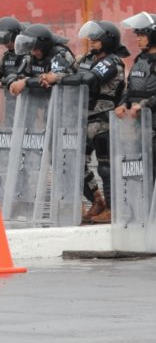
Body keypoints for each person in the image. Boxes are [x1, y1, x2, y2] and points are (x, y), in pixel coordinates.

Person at [62, 20, 129, 223]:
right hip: (82, 119)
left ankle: (112, 209)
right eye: (91, 38)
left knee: (105, 167)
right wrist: (54, 77)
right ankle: (96, 200)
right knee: (74, 164)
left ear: (108, 40)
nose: (92, 41)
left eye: (97, 39)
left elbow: (90, 79)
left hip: (104, 121)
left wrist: (58, 79)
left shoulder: (113, 62)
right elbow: (69, 73)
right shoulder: (86, 58)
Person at [115, 11, 156, 186]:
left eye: (143, 35)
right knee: (140, 169)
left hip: (153, 120)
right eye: (137, 35)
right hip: (139, 124)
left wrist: (144, 104)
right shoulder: (140, 59)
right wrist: (123, 104)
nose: (138, 39)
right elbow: (130, 87)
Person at [8, 23, 76, 95]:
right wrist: (12, 82)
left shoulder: (59, 55)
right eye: (32, 50)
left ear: (44, 47)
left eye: (36, 49)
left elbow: (55, 77)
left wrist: (25, 82)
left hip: (60, 101)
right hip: (39, 101)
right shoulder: (31, 57)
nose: (33, 53)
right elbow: (21, 75)